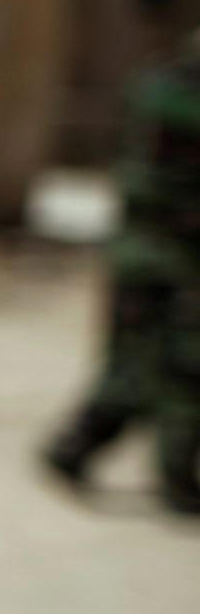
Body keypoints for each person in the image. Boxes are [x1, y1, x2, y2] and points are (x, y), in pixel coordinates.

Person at [43, 35, 200, 513]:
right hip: (158, 257)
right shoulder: (171, 95)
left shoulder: (159, 85)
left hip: (156, 255)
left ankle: (76, 450)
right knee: (173, 369)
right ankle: (171, 475)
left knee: (142, 367)